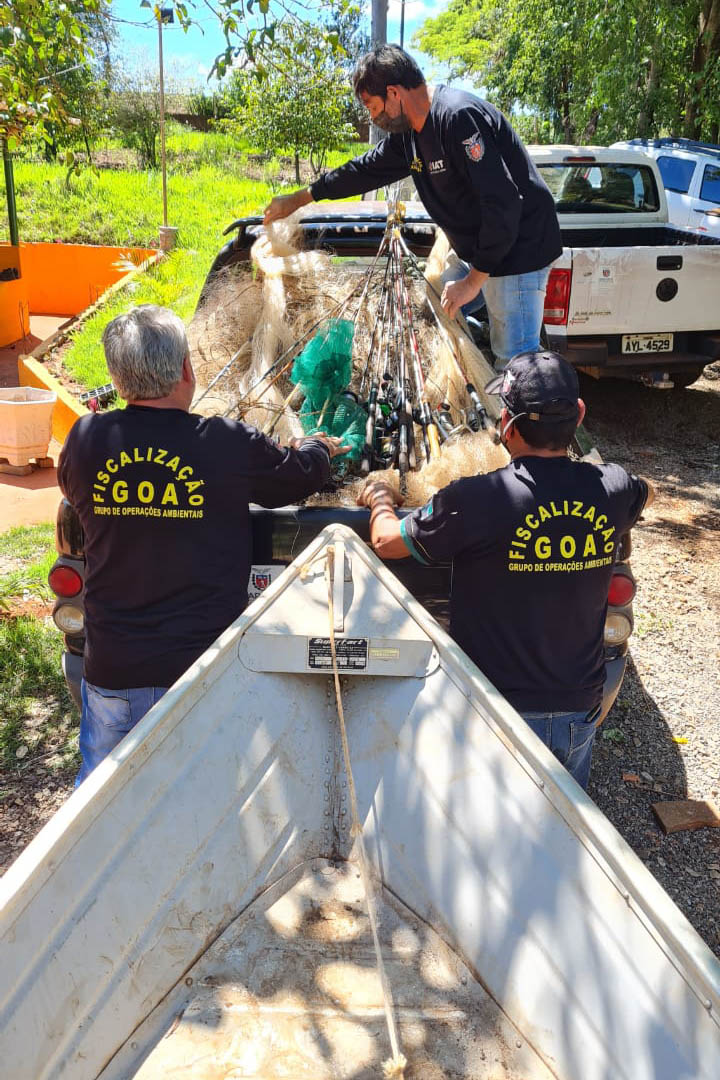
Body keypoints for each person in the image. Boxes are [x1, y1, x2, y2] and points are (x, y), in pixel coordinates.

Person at [58, 304, 347, 784]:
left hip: (114, 670)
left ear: (116, 379)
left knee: (102, 806)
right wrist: (317, 446)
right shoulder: (226, 444)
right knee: (204, 796)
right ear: (187, 370)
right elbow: (299, 476)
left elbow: (72, 488)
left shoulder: (87, 440)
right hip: (201, 676)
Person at [356, 351, 653, 789]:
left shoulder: (475, 499)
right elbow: (645, 493)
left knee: (486, 823)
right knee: (561, 823)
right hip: (577, 712)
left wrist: (380, 498)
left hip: (493, 714)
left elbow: (385, 541)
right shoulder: (613, 488)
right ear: (579, 415)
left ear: (507, 426)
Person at [263, 44, 562, 369]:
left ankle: (515, 393)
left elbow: (502, 203)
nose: (372, 118)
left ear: (393, 93)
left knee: (516, 368)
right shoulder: (409, 137)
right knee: (432, 311)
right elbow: (363, 170)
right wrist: (300, 198)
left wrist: (472, 283)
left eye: (372, 106)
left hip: (517, 251)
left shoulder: (458, 118)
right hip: (478, 249)